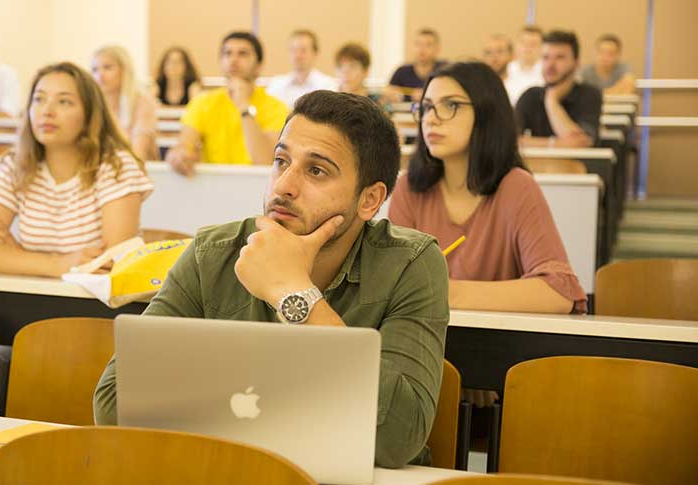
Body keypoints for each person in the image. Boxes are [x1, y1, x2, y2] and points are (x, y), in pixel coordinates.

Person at [95, 90, 450, 468]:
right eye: (281, 161)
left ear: (370, 200)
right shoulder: (211, 253)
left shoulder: (411, 263)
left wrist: (295, 295)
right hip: (228, 471)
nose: (284, 186)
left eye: (316, 171)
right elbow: (116, 405)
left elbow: (398, 440)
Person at [389, 61, 586, 314]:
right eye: (426, 107)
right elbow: (393, 289)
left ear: (487, 112)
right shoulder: (409, 187)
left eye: (451, 105)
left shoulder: (516, 186)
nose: (431, 119)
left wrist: (444, 291)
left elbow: (558, 292)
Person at [0, 61, 153, 278]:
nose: (47, 111)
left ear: (89, 115)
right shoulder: (15, 166)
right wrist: (59, 265)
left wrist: (18, 257)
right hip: (32, 300)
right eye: (39, 99)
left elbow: (112, 265)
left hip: (93, 309)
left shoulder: (116, 166)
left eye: (64, 102)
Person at [166, 32, 289, 175]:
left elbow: (265, 162)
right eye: (227, 53)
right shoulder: (203, 102)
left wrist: (244, 106)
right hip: (212, 187)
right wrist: (178, 154)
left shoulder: (277, 108)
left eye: (243, 54)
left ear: (259, 65)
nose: (233, 60)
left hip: (256, 188)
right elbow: (184, 144)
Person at [515, 30, 602, 148]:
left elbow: (581, 143)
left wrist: (551, 101)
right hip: (537, 166)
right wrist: (556, 143)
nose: (550, 65)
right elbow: (511, 141)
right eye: (545, 57)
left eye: (559, 58)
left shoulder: (589, 94)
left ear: (576, 63)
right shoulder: (530, 95)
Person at [92, 46, 159, 160]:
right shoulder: (92, 105)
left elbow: (138, 155)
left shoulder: (142, 102)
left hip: (136, 171)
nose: (100, 75)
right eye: (95, 70)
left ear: (124, 70)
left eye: (107, 68)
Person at [266, 29, 337, 108]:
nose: (297, 55)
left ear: (315, 53)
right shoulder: (276, 85)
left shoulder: (328, 86)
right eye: (293, 50)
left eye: (303, 50)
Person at [382, 29, 446, 103]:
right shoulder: (402, 71)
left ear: (437, 48)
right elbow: (386, 96)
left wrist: (427, 97)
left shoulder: (443, 71)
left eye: (428, 45)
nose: (422, 49)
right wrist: (389, 96)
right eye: (418, 44)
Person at [505, 25, 545, 106]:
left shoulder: (547, 71)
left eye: (533, 44)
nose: (527, 47)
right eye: (523, 43)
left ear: (543, 47)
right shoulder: (507, 69)